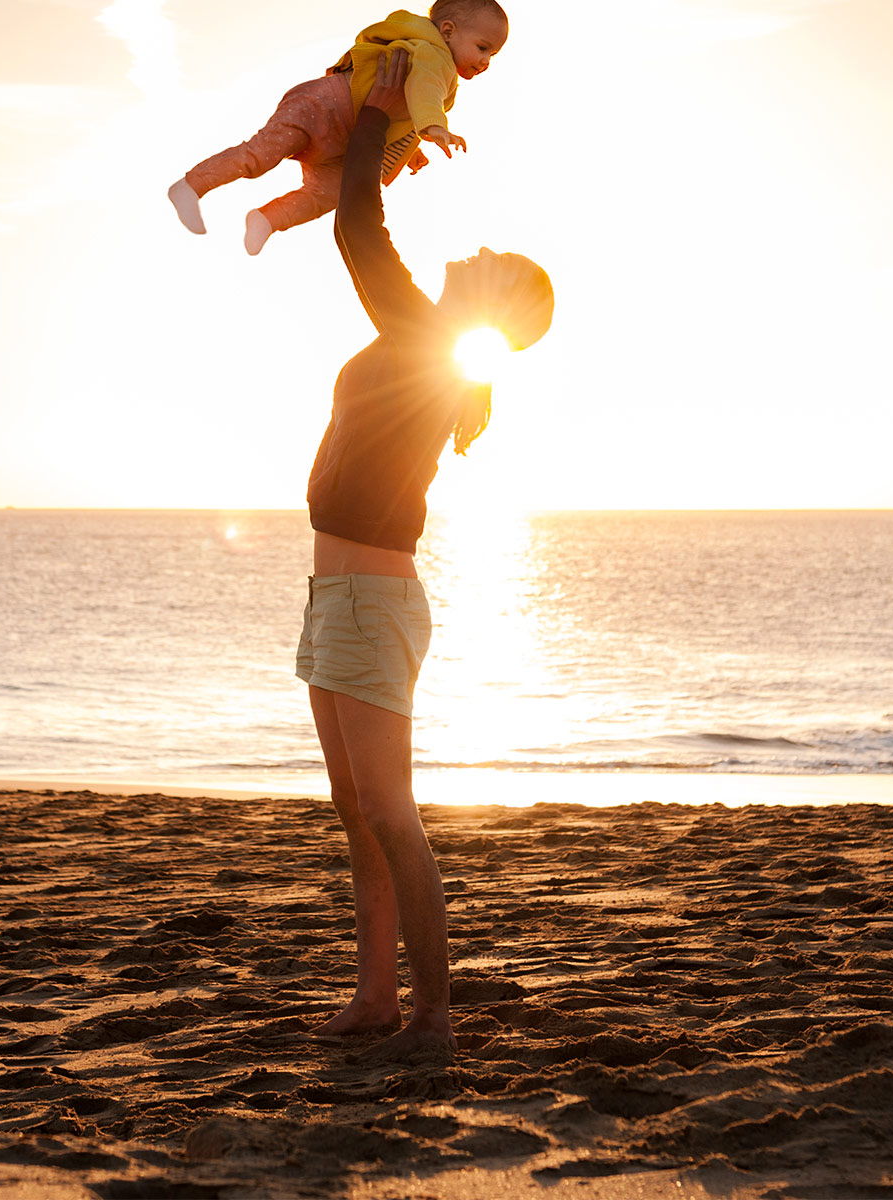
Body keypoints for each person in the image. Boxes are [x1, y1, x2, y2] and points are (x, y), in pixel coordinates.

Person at [296, 46, 553, 1062]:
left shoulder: (422, 341)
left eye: (492, 264)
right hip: (338, 593)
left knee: (391, 817)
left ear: (492, 311)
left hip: (367, 595)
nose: (477, 250)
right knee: (355, 813)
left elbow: (360, 231)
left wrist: (379, 116)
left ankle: (436, 1016)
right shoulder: (432, 353)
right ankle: (373, 999)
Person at [167, 0, 510, 256]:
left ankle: (266, 219)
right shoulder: (434, 57)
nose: (486, 62)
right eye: (483, 48)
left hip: (342, 139)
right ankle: (190, 186)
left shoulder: (432, 62)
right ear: (448, 31)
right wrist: (435, 126)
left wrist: (410, 151)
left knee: (330, 194)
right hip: (321, 107)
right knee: (258, 156)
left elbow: (402, 106)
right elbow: (424, 91)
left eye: (493, 55)